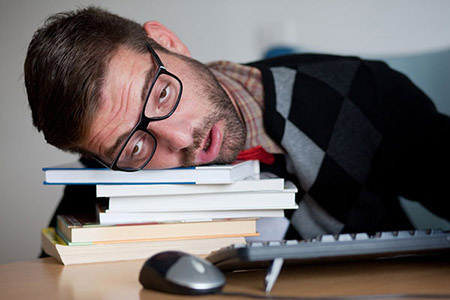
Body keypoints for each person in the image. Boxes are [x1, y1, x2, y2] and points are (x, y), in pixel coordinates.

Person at [25, 6, 449, 249]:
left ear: (168, 42)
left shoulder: (359, 92)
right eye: (135, 146)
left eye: (160, 95)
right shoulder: (109, 177)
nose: (179, 139)